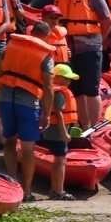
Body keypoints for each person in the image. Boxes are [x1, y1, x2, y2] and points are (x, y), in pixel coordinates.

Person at [0, 18, 56, 198]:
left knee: (10, 141)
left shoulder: (12, 45)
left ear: (31, 32)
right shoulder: (45, 55)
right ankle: (27, 190)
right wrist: (46, 113)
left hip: (6, 98)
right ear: (45, 37)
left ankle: (12, 181)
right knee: (28, 148)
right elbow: (49, 87)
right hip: (27, 103)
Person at [53, 0, 111, 127]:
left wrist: (99, 41)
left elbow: (107, 21)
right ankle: (84, 126)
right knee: (77, 91)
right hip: (69, 51)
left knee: (91, 90)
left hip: (90, 50)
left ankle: (94, 127)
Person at [41, 62, 79, 201]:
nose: (68, 81)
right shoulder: (59, 93)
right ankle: (58, 191)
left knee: (60, 160)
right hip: (57, 132)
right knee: (60, 161)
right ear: (56, 78)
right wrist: (64, 133)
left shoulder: (57, 91)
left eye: (69, 79)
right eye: (65, 78)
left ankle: (56, 190)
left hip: (55, 131)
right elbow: (59, 113)